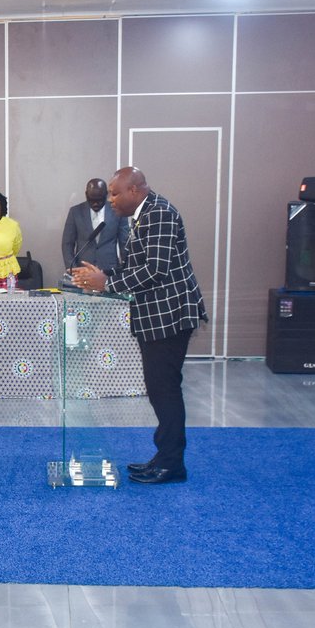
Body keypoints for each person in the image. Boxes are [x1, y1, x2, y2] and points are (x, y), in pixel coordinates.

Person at [70, 166, 207, 485]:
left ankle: (173, 464)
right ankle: (164, 457)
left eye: (115, 193)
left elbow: (156, 271)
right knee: (160, 390)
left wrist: (106, 284)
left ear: (136, 190)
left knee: (166, 391)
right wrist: (100, 277)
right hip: (156, 317)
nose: (110, 199)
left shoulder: (159, 212)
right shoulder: (143, 215)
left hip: (169, 315)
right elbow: (134, 266)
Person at [61, 178, 129, 270]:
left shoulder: (118, 211)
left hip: (110, 269)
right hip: (82, 269)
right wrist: (72, 268)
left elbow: (124, 242)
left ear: (106, 194)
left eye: (99, 200)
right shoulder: (75, 212)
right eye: (91, 200)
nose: (95, 204)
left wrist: (126, 268)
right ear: (86, 195)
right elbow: (67, 244)